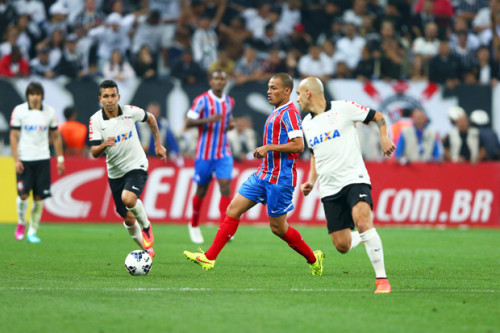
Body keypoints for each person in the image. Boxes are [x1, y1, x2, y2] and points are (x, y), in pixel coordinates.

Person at [184, 73, 325, 275]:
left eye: (274, 88)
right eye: (268, 87)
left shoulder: (290, 114)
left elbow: (299, 145)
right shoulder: (276, 111)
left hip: (280, 179)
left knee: (278, 228)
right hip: (263, 174)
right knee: (233, 209)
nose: (269, 91)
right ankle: (209, 257)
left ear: (287, 91)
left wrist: (269, 147)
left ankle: (313, 259)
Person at [296, 76, 395, 293]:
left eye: (298, 94)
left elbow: (378, 116)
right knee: (341, 245)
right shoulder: (306, 123)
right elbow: (314, 155)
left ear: (308, 93)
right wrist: (311, 181)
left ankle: (382, 280)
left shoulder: (344, 108)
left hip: (354, 178)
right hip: (329, 187)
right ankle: (363, 235)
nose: (297, 99)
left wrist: (384, 137)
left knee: (362, 220)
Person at [88, 80, 167, 258]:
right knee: (128, 218)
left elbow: (151, 119)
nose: (110, 100)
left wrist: (158, 144)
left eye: (113, 96)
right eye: (106, 96)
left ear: (118, 97)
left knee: (128, 198)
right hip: (115, 172)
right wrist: (103, 145)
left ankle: (146, 226)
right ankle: (147, 250)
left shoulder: (130, 112)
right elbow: (93, 151)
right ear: (100, 99)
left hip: (136, 165)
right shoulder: (96, 120)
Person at [10, 81, 65, 243]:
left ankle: (32, 231)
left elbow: (56, 136)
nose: (35, 97)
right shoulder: (19, 111)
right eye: (32, 94)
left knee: (39, 198)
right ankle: (21, 223)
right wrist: (16, 159)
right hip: (25, 159)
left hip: (42, 158)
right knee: (23, 196)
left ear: (42, 96)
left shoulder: (49, 112)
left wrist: (60, 159)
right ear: (27, 96)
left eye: (38, 94)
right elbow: (13, 136)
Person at [184, 70, 235, 244]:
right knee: (201, 191)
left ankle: (224, 227)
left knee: (225, 187)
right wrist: (209, 119)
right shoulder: (201, 100)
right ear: (210, 81)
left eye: (222, 78)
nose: (219, 81)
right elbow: (188, 122)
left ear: (226, 81)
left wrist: (230, 124)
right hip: (204, 154)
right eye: (216, 78)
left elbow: (227, 120)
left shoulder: (229, 101)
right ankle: (194, 224)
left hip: (223, 153)